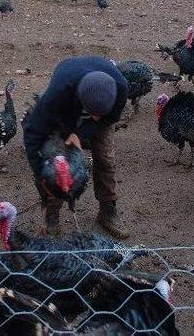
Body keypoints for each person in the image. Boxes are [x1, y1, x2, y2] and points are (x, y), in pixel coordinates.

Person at [23, 56, 129, 239]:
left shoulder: (120, 89)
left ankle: (107, 210)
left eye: (99, 114)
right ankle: (52, 216)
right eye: (91, 113)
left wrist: (79, 134)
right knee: (57, 166)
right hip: (66, 111)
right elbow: (32, 134)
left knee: (106, 159)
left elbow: (108, 119)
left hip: (99, 109)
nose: (95, 118)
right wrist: (43, 175)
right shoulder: (57, 96)